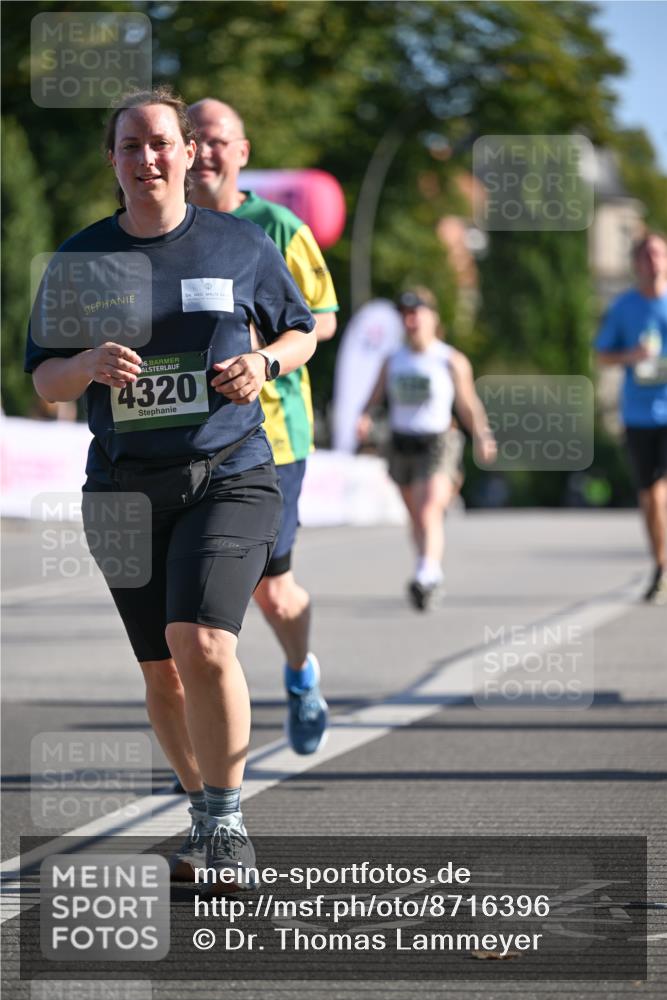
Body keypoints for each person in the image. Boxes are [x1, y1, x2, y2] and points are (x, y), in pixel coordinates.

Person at [24, 87, 317, 885]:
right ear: (112, 162)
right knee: (162, 670)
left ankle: (225, 824)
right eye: (130, 146)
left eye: (161, 143)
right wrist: (85, 366)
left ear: (189, 153)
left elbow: (303, 329)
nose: (147, 158)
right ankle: (203, 813)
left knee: (204, 640)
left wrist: (264, 362)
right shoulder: (79, 260)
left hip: (230, 471)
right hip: (121, 489)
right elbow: (46, 379)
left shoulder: (240, 246)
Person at [187, 98, 338, 754]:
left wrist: (264, 349)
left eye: (216, 140)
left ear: (241, 152)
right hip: (187, 439)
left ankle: (302, 677)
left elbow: (323, 317)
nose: (203, 152)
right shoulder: (164, 230)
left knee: (272, 594)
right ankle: (202, 752)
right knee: (193, 608)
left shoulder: (274, 226)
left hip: (272, 436)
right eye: (190, 139)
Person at [357, 288, 496, 609]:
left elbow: (467, 403)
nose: (411, 319)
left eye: (417, 312)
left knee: (429, 507)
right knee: (416, 516)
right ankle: (427, 566)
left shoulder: (449, 360)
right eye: (405, 314)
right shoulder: (393, 360)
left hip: (439, 442)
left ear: (433, 317)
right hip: (402, 443)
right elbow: (375, 396)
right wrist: (364, 416)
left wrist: (483, 435)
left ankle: (426, 574)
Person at [595, 231, 667, 604]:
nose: (653, 262)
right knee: (651, 495)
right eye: (647, 256)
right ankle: (660, 565)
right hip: (638, 415)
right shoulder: (625, 308)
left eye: (659, 254)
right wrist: (632, 356)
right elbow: (602, 355)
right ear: (637, 264)